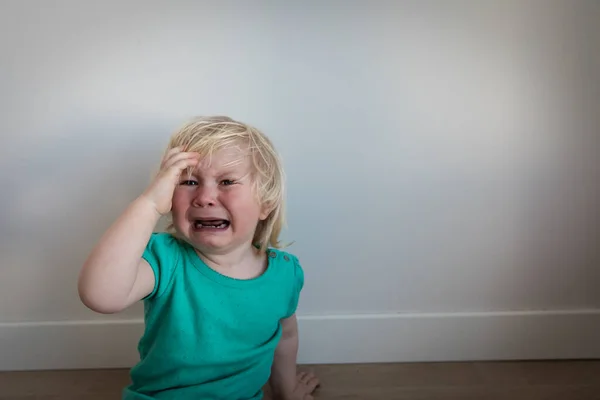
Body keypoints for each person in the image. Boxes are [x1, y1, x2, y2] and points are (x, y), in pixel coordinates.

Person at [77, 116, 319, 399]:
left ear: (265, 203)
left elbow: (285, 337)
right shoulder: (165, 258)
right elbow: (100, 296)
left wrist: (286, 389)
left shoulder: (286, 272)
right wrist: (149, 204)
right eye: (189, 181)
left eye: (227, 181)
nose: (204, 197)